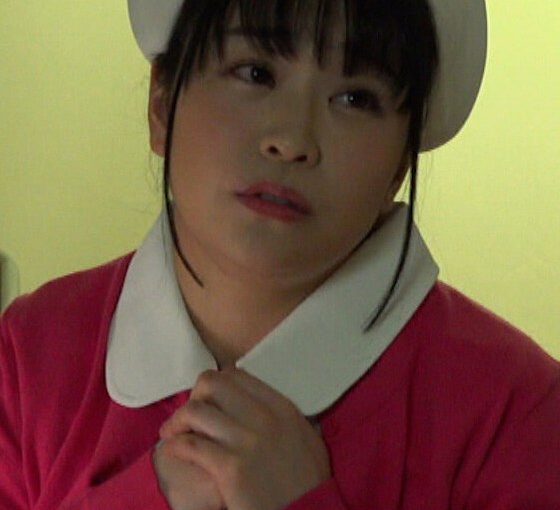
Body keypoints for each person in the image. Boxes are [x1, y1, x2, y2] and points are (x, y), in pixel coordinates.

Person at [1, 0, 559, 509]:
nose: (292, 141)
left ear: (399, 164)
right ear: (162, 104)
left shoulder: (517, 412)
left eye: (355, 98)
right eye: (255, 73)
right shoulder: (28, 354)